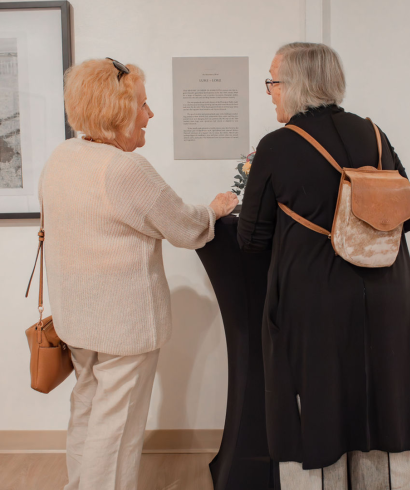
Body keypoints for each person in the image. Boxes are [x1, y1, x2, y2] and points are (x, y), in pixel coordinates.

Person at [237, 42, 410, 490]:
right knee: (387, 407)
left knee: (317, 412)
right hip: (391, 297)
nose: (270, 92)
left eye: (273, 81)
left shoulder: (277, 145)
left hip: (314, 304)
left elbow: (252, 238)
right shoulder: (374, 134)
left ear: (297, 85)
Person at [38, 58, 237, 490]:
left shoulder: (63, 156)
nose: (150, 115)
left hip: (77, 320)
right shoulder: (124, 169)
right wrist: (215, 210)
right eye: (143, 105)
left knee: (88, 413)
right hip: (123, 327)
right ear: (117, 111)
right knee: (117, 430)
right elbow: (183, 226)